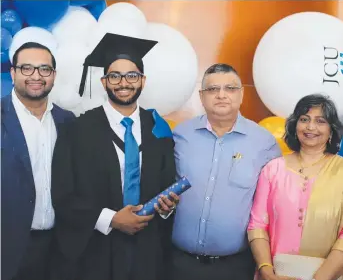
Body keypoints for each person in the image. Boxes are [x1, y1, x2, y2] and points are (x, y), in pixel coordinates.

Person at [50, 33, 179, 280]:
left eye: (132, 75)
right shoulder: (77, 130)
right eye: (114, 76)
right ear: (104, 82)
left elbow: (165, 187)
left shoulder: (158, 130)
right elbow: (62, 193)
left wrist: (167, 207)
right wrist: (111, 219)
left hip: (146, 252)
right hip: (94, 250)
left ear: (143, 80)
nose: (123, 83)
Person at [169, 63, 281, 280]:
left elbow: (273, 205)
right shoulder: (180, 136)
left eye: (230, 88)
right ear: (201, 97)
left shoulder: (264, 143)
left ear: (241, 95)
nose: (221, 95)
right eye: (212, 89)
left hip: (234, 267)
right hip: (177, 264)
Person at [248, 94, 343, 280]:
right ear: (295, 125)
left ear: (331, 130)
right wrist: (266, 270)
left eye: (320, 121)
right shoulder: (273, 169)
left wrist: (320, 278)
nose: (311, 127)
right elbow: (257, 224)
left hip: (329, 274)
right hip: (276, 274)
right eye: (304, 119)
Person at [1, 42, 75, 280]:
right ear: (13, 73)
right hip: (7, 250)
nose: (36, 76)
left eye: (44, 69)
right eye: (27, 68)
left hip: (57, 249)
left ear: (53, 75)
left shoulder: (67, 121)